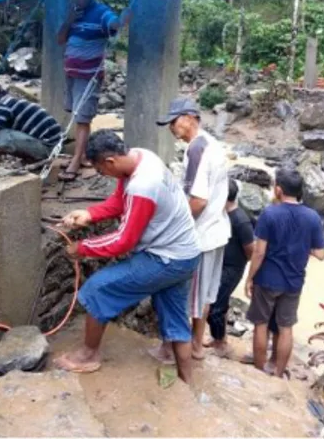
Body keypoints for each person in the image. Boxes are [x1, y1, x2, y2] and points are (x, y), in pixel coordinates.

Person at [54, 129, 201, 384]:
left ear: (109, 162)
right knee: (176, 320)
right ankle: (186, 382)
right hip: (187, 254)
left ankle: (89, 355)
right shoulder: (141, 157)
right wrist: (89, 214)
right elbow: (121, 203)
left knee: (96, 290)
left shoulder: (143, 185)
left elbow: (123, 241)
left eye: (101, 170)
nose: (103, 175)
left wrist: (83, 248)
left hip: (166, 259)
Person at [155, 98, 230, 361]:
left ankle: (177, 350)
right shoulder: (210, 143)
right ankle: (197, 345)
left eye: (173, 122)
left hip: (202, 236)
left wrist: (174, 226)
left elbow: (197, 200)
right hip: (218, 231)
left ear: (189, 117)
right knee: (206, 294)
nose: (171, 129)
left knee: (188, 296)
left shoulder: (197, 149)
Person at [245, 168, 324, 378]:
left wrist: (249, 278)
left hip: (267, 279)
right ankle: (279, 373)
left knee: (261, 324)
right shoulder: (312, 217)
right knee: (286, 327)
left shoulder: (270, 213)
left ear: (279, 190)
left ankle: (259, 370)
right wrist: (302, 247)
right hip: (294, 281)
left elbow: (260, 251)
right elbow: (321, 254)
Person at [56, 0, 131, 181]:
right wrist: (69, 21)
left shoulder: (100, 12)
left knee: (82, 119)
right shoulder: (73, 12)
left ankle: (76, 161)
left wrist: (122, 20)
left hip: (88, 76)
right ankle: (80, 157)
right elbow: (60, 39)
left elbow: (113, 24)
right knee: (75, 114)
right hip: (71, 73)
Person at [205, 178, 254, 358]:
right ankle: (220, 338)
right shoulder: (223, 215)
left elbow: (251, 249)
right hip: (219, 264)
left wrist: (247, 270)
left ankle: (221, 344)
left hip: (232, 268)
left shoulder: (241, 220)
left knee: (214, 306)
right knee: (221, 303)